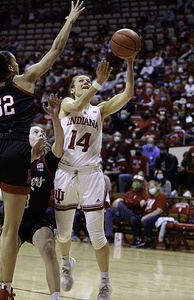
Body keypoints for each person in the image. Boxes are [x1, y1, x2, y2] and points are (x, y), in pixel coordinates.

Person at [0, 2, 85, 299]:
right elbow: (55, 51)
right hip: (16, 149)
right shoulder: (24, 80)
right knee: (10, 229)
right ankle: (5, 290)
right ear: (11, 67)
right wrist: (69, 21)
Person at [53, 51, 137, 300]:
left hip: (91, 175)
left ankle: (105, 283)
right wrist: (99, 82)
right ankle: (66, 262)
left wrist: (130, 62)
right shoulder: (67, 106)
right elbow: (78, 105)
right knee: (65, 234)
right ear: (72, 89)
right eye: (81, 81)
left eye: (88, 80)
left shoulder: (99, 110)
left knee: (97, 235)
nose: (86, 82)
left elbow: (128, 94)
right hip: (65, 173)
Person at [0, 94, 65, 300]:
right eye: (35, 131)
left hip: (36, 220)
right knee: (6, 250)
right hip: (13, 219)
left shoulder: (47, 162)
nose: (41, 134)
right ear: (25, 137)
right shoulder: (13, 159)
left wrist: (55, 117)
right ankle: (0, 287)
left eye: (43, 132)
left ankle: (55, 298)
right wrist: (30, 156)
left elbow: (60, 146)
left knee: (49, 248)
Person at [104, 174, 147, 247]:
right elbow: (126, 200)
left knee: (119, 204)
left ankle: (108, 210)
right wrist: (122, 200)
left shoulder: (144, 194)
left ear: (142, 184)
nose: (135, 183)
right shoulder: (129, 193)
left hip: (133, 214)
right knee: (109, 215)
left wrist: (123, 200)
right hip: (122, 214)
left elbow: (136, 203)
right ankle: (109, 237)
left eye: (138, 182)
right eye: (134, 182)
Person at [141, 180, 168, 248]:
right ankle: (138, 239)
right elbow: (145, 201)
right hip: (147, 214)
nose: (151, 189)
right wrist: (142, 201)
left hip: (158, 216)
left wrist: (146, 216)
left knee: (146, 221)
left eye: (152, 187)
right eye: (149, 188)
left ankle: (149, 240)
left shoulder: (161, 195)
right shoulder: (149, 196)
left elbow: (159, 210)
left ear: (156, 186)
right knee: (134, 219)